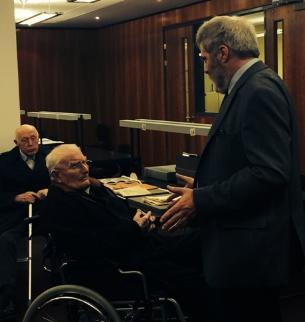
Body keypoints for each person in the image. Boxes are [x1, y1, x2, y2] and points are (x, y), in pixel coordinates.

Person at [160, 16, 305, 322]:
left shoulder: (258, 91)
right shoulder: (250, 88)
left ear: (222, 53)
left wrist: (201, 199)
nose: (205, 68)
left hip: (250, 254)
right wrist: (202, 184)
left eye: (204, 57)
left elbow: (269, 173)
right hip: (244, 249)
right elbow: (246, 160)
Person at [40, 143, 203, 321]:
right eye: (75, 165)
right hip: (122, 267)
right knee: (195, 278)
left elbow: (123, 213)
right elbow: (91, 245)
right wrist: (134, 227)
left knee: (203, 239)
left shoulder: (94, 190)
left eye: (85, 162)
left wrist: (143, 219)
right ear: (56, 176)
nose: (85, 169)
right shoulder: (58, 207)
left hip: (141, 246)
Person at [0, 124, 50, 320]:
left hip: (46, 212)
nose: (30, 143)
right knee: (5, 240)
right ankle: (7, 294)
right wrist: (15, 197)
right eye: (24, 140)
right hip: (17, 216)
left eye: (34, 138)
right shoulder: (3, 161)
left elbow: (65, 182)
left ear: (39, 138)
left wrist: (49, 191)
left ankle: (64, 282)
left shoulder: (51, 157)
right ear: (16, 143)